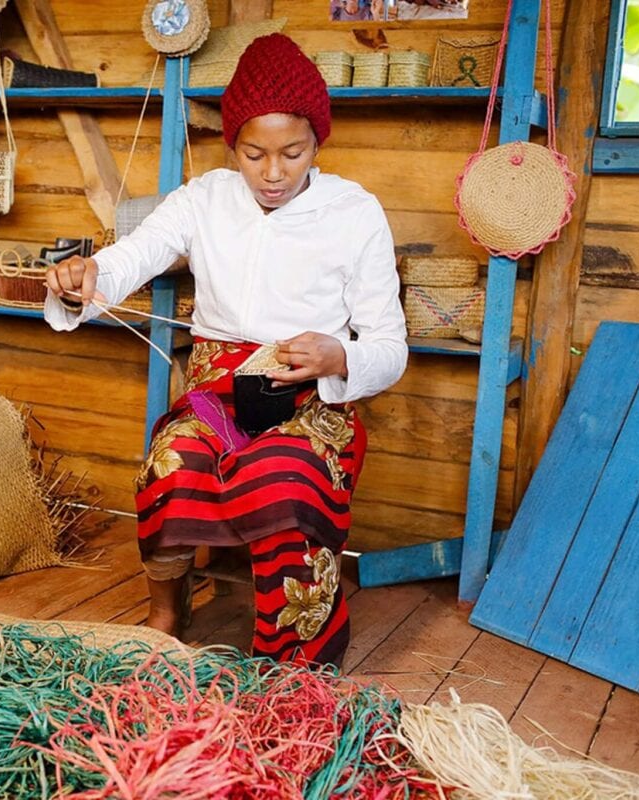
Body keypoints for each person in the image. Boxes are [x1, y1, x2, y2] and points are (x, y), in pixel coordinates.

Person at [43, 34, 406, 668]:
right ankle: (167, 609)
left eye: (292, 153)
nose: (272, 173)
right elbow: (137, 254)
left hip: (307, 402)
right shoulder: (204, 198)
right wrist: (91, 274)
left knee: (279, 480)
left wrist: (338, 357)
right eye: (254, 153)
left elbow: (389, 346)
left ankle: (294, 658)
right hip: (215, 399)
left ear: (317, 143)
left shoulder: (355, 212)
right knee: (172, 462)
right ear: (231, 144)